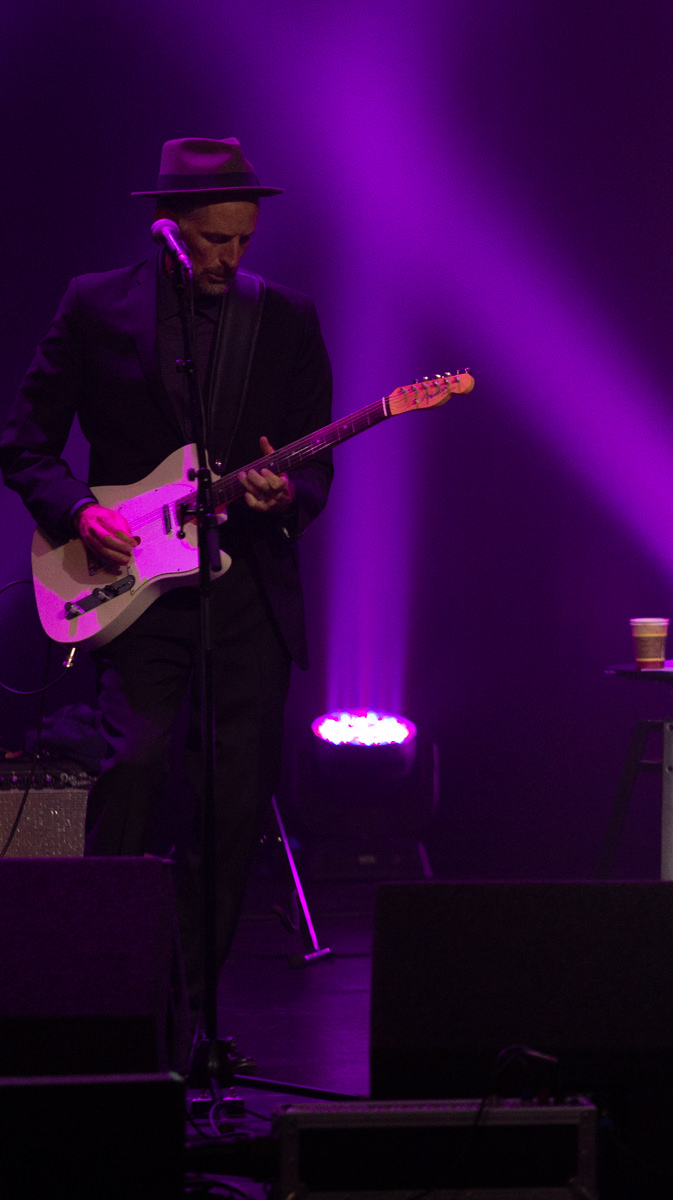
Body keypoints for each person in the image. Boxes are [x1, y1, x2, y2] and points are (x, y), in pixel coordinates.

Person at [0, 137, 333, 1036]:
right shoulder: (96, 305)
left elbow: (311, 470)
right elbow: (24, 442)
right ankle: (92, 998)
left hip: (246, 596)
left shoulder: (287, 319)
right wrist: (77, 512)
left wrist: (283, 490)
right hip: (131, 593)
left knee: (231, 811)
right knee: (136, 768)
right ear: (171, 231)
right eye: (215, 240)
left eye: (244, 241)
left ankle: (180, 1019)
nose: (231, 257)